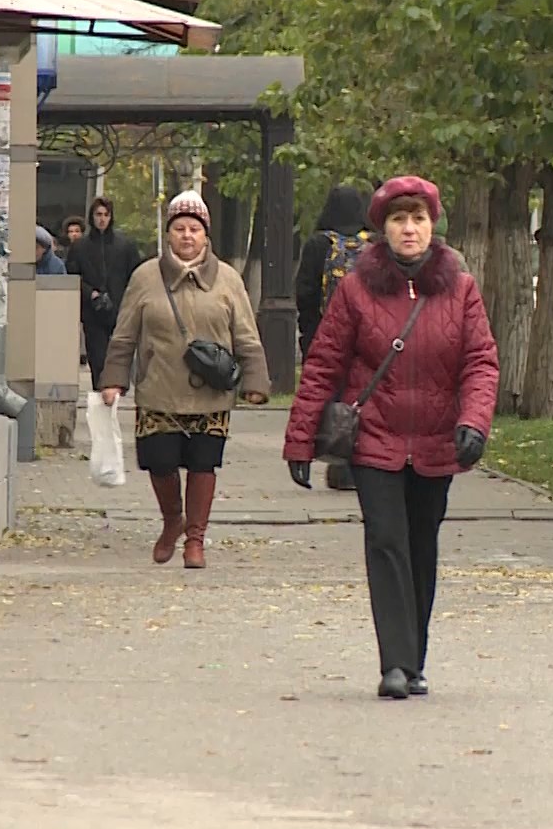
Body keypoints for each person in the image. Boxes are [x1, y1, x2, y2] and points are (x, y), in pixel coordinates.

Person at [282, 176, 499, 700]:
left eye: (418, 219)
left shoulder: (460, 288)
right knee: (385, 541)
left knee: (421, 546)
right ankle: (395, 664)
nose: (409, 229)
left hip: (437, 440)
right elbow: (324, 363)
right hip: (375, 438)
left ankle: (415, 658)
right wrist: (300, 439)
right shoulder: (356, 289)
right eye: (399, 219)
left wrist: (474, 422)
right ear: (383, 228)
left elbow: (480, 362)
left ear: (432, 226)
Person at [99, 190, 270, 569]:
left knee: (202, 465)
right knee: (158, 462)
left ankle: (195, 539)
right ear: (168, 234)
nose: (187, 235)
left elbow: (246, 334)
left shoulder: (228, 279)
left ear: (206, 235)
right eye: (179, 229)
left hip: (210, 394)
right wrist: (113, 380)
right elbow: (124, 334)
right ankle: (172, 519)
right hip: (158, 388)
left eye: (194, 228)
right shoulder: (145, 277)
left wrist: (256, 381)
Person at [294, 184, 373, 492]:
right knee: (363, 399)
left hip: (327, 337)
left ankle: (337, 463)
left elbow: (306, 294)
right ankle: (363, 465)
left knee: (335, 400)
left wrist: (309, 335)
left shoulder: (318, 244)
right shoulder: (373, 246)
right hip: (367, 339)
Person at [66, 196, 145, 389]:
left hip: (120, 309)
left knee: (120, 356)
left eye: (106, 215)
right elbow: (72, 276)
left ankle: (115, 390)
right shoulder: (80, 247)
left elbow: (135, 276)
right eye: (98, 214)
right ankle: (100, 392)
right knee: (97, 358)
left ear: (111, 217)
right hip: (92, 311)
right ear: (92, 216)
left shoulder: (125, 245)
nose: (102, 219)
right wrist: (90, 293)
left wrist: (129, 301)